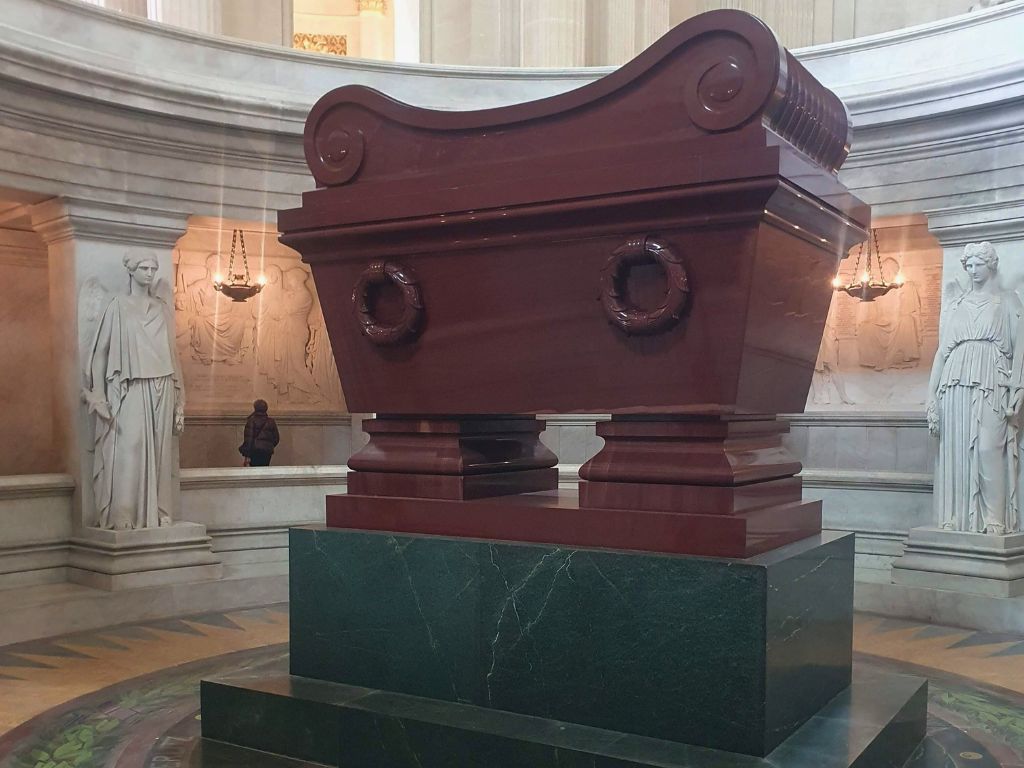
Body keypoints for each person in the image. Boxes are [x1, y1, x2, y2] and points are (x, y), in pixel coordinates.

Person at [926, 242, 1024, 534]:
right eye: (968, 265)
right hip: (954, 382)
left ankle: (994, 517)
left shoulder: (1008, 301)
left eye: (977, 264)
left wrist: (1018, 387)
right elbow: (942, 352)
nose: (972, 271)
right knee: (956, 450)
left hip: (992, 380)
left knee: (986, 449)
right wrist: (931, 395)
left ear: (990, 265)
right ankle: (957, 517)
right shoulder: (957, 304)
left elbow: (1021, 350)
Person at [83, 254, 185, 529]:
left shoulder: (161, 308)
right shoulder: (117, 306)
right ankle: (123, 513)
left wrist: (180, 398)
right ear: (131, 270)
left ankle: (158, 511)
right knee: (130, 448)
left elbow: (173, 354)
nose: (150, 273)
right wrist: (99, 393)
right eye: (144, 268)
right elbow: (100, 352)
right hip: (132, 387)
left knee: (160, 454)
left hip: (162, 383)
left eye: (154, 268)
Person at [240, 399, 280, 466]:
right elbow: (276, 438)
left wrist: (247, 455)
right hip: (267, 452)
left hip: (254, 451)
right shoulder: (271, 421)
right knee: (264, 471)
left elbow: (248, 439)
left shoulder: (251, 421)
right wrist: (268, 445)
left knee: (255, 472)